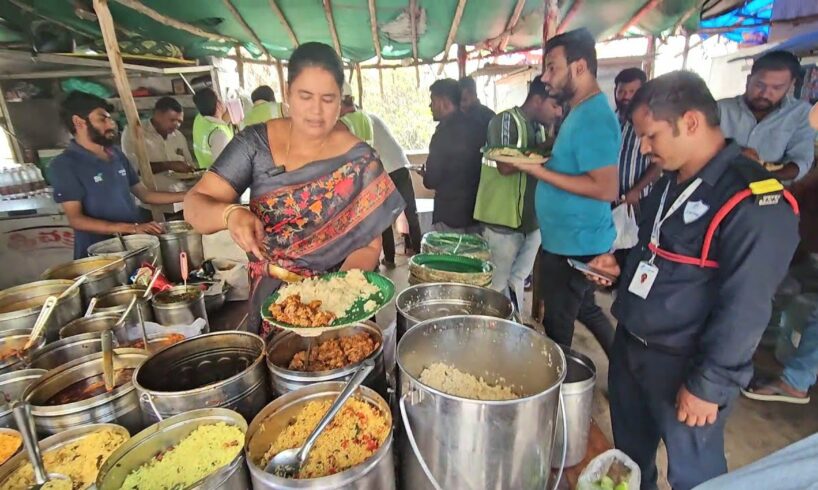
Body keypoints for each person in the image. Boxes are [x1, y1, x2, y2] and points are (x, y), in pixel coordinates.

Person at [585, 71, 799, 490]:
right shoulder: (669, 182)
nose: (644, 148)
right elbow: (661, 254)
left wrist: (708, 386)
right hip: (633, 350)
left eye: (651, 136)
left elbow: (747, 306)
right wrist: (621, 267)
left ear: (691, 122)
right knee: (629, 462)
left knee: (693, 474)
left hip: (685, 365)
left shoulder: (753, 201)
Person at [183, 42, 405, 336]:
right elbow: (194, 205)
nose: (316, 110)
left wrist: (330, 300)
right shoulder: (255, 144)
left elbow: (368, 246)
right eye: (305, 96)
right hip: (274, 307)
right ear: (287, 94)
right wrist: (229, 215)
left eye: (328, 98)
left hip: (342, 311)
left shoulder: (359, 160)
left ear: (341, 100)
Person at [506, 28, 618, 355]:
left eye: (552, 66)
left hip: (576, 246)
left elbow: (606, 187)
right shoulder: (579, 112)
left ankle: (559, 397)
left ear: (579, 67)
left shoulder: (593, 117)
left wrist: (538, 171)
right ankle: (624, 365)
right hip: (570, 241)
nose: (545, 75)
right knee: (584, 308)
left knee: (558, 327)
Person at [48, 91, 186, 259]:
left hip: (132, 246)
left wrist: (188, 196)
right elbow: (76, 219)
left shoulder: (116, 155)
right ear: (78, 122)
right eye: (102, 119)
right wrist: (132, 228)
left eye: (110, 118)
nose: (111, 124)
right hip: (100, 254)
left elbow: (145, 194)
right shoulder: (65, 164)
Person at [475, 78, 563, 312]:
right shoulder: (505, 120)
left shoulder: (540, 129)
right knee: (496, 285)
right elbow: (504, 166)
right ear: (537, 100)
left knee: (517, 281)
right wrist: (546, 150)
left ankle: (512, 331)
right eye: (554, 105)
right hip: (502, 222)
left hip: (532, 222)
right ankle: (490, 335)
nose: (559, 112)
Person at [339, 90, 422, 266]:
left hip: (384, 171)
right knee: (411, 213)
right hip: (401, 165)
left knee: (383, 218)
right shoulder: (371, 117)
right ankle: (419, 255)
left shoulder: (349, 123)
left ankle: (390, 258)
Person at [718, 50, 816, 181]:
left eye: (776, 88)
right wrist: (735, 151)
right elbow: (700, 147)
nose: (765, 94)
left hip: (770, 192)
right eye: (759, 85)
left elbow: (801, 160)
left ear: (790, 85)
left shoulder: (801, 114)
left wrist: (764, 176)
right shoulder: (720, 109)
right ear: (748, 80)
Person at [424, 78, 486, 234]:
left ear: (444, 101)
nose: (430, 106)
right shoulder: (478, 128)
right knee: (473, 257)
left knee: (449, 258)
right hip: (476, 213)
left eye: (433, 101)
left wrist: (425, 174)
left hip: (449, 215)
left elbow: (432, 179)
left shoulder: (442, 136)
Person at [614, 67, 660, 207]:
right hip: (610, 200)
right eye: (621, 91)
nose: (625, 96)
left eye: (632, 92)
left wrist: (636, 190)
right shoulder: (609, 121)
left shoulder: (651, 124)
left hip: (640, 200)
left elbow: (658, 164)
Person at [121, 96, 194, 175]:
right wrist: (168, 165)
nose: (177, 125)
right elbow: (132, 168)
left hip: (180, 187)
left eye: (179, 121)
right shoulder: (134, 132)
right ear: (158, 115)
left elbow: (189, 165)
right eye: (172, 120)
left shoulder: (179, 137)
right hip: (150, 187)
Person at [192, 88, 234, 169]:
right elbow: (225, 167)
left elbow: (215, 121)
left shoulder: (198, 119)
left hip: (205, 172)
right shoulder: (219, 134)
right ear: (218, 105)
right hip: (217, 178)